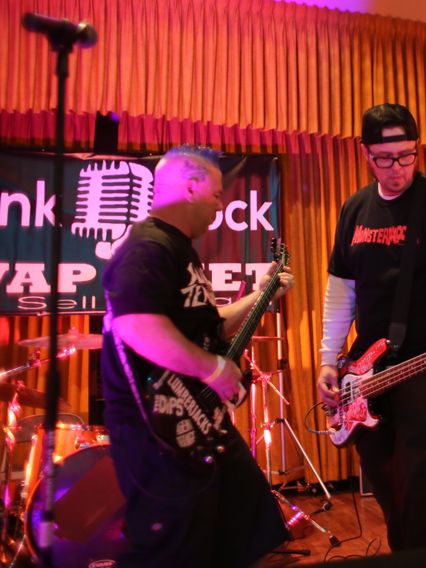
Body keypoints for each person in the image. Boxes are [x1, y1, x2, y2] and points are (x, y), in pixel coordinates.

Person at [101, 145, 292, 566]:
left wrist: (260, 296)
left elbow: (207, 326)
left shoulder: (179, 249)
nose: (220, 206)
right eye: (217, 194)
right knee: (176, 550)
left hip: (199, 426)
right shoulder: (148, 246)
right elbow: (137, 325)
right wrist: (212, 368)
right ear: (190, 188)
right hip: (159, 435)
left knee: (240, 530)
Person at [316, 103, 426, 551]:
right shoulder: (355, 208)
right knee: (384, 475)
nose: (398, 168)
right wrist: (329, 360)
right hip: (364, 368)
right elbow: (341, 290)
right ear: (365, 153)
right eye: (386, 158)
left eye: (408, 155)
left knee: (419, 470)